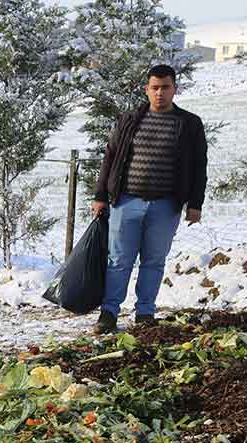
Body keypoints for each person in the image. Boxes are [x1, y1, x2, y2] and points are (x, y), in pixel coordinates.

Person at [91, 64, 208, 334]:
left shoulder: (189, 124)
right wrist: (100, 195)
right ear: (147, 90)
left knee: (154, 261)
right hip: (126, 201)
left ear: (174, 89)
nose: (160, 93)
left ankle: (145, 313)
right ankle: (109, 313)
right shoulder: (129, 119)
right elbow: (110, 157)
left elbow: (199, 165)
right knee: (119, 260)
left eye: (165, 87)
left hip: (166, 205)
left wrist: (195, 204)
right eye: (154, 88)